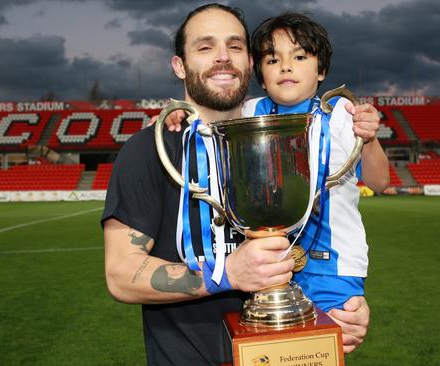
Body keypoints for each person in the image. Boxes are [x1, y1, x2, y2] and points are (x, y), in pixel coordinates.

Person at [102, 4, 370, 365]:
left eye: (235, 46)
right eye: (205, 47)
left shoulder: (288, 136)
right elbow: (120, 275)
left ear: (251, 62)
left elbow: (319, 234)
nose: (223, 57)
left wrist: (342, 310)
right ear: (180, 65)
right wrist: (226, 273)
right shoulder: (151, 149)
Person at [243, 12, 389, 314]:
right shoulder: (248, 112)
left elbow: (379, 182)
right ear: (260, 75)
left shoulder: (341, 113)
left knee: (320, 355)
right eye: (272, 60)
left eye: (299, 57)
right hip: (267, 262)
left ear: (321, 69)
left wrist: (369, 138)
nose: (285, 66)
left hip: (332, 266)